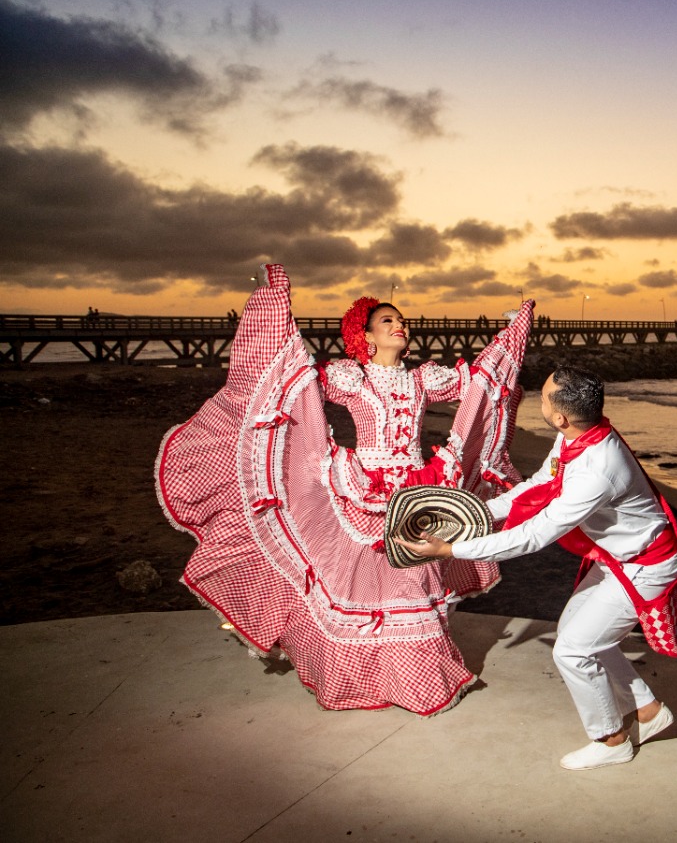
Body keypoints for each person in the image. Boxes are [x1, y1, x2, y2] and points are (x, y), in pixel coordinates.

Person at [156, 263, 533, 716]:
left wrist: (513, 330)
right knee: (368, 582)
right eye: (388, 321)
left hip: (417, 487)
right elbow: (295, 383)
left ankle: (417, 676)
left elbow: (480, 384)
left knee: (416, 575)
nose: (401, 327)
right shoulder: (351, 377)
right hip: (365, 486)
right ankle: (365, 675)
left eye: (402, 321)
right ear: (367, 336)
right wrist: (275, 308)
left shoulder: (423, 379)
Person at [394, 365, 677, 770]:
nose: (538, 400)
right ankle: (650, 713)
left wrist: (453, 551)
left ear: (561, 416)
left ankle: (611, 739)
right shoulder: (579, 435)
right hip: (620, 557)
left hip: (643, 565)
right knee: (579, 637)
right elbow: (539, 485)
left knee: (573, 650)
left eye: (544, 397)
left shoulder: (597, 470)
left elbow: (535, 535)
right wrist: (472, 514)